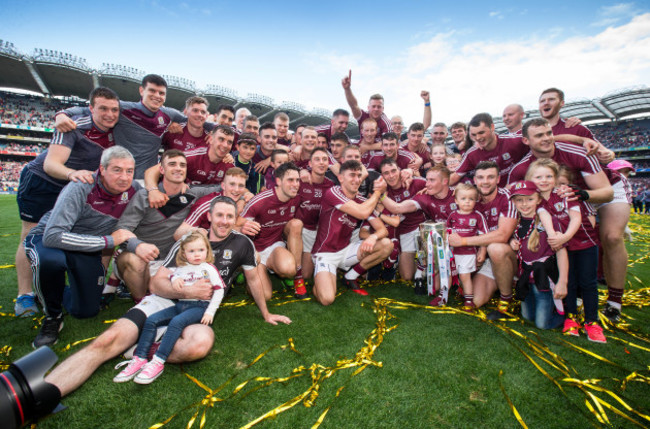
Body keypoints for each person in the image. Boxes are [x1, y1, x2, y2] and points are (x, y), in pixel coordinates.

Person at [42, 196, 291, 398]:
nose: (224, 221)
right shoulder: (189, 241)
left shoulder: (243, 244)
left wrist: (266, 313)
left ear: (236, 218)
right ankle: (38, 396)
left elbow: (253, 279)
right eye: (219, 215)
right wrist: (185, 291)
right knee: (106, 341)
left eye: (230, 216)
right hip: (165, 301)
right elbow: (156, 282)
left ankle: (140, 350)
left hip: (197, 311)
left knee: (199, 345)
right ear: (209, 217)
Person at [15, 87, 120, 317]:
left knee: (75, 235)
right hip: (43, 183)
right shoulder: (74, 124)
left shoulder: (117, 130)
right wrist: (72, 173)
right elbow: (50, 165)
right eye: (103, 108)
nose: (110, 114)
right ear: (91, 108)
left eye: (114, 109)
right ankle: (24, 296)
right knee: (32, 236)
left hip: (73, 188)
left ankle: (78, 287)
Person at [26, 146, 140, 347]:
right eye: (117, 169)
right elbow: (53, 236)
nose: (124, 176)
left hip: (85, 247)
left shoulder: (134, 191)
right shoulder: (82, 186)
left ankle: (52, 290)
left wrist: (158, 191)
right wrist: (107, 241)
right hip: (49, 240)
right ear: (102, 169)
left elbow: (156, 182)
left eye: (129, 171)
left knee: (86, 311)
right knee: (51, 262)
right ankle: (52, 316)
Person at [113, 232, 225, 384]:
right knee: (152, 320)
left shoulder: (208, 269)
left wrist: (211, 311)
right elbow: (173, 275)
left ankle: (158, 361)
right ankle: (139, 358)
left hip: (199, 306)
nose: (197, 254)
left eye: (201, 250)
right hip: (181, 305)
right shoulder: (182, 267)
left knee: (176, 322)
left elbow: (220, 290)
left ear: (207, 251)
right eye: (192, 251)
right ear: (184, 254)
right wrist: (175, 278)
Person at [114, 150, 217, 301]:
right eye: (172, 164)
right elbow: (121, 230)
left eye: (182, 165)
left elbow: (226, 188)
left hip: (171, 263)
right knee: (134, 261)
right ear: (161, 169)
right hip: (144, 260)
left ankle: (157, 294)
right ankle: (142, 301)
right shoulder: (145, 196)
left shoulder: (192, 193)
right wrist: (138, 245)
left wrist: (244, 195)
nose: (178, 168)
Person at [54, 74, 188, 179]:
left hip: (146, 179)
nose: (157, 96)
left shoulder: (169, 114)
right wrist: (62, 114)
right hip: (119, 177)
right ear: (141, 90)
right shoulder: (122, 108)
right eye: (152, 91)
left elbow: (195, 121)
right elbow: (88, 109)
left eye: (161, 93)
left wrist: (208, 119)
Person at [312, 160, 391, 305]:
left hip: (346, 250)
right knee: (327, 299)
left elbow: (383, 230)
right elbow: (362, 213)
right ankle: (321, 279)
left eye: (359, 176)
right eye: (352, 175)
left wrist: (373, 237)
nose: (357, 180)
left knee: (386, 244)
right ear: (341, 178)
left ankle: (350, 276)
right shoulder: (333, 192)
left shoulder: (361, 200)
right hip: (325, 253)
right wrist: (378, 192)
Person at [448, 161, 518, 314]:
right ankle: (499, 282)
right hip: (484, 259)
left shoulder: (507, 198)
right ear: (474, 180)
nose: (485, 182)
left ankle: (507, 297)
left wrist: (463, 242)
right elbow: (447, 191)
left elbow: (503, 235)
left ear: (498, 179)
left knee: (496, 248)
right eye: (480, 177)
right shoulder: (470, 198)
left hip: (507, 253)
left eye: (490, 177)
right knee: (475, 301)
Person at [239, 162, 306, 298]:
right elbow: (236, 224)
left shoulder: (296, 197)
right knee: (265, 296)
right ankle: (248, 271)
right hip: (254, 250)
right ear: (278, 181)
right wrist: (242, 227)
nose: (295, 184)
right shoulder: (260, 201)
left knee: (289, 269)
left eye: (297, 180)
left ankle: (296, 277)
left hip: (273, 245)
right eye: (290, 180)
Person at [508, 181, 568, 331]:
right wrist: (511, 241)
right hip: (525, 277)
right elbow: (517, 240)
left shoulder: (548, 221)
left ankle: (563, 314)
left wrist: (562, 282)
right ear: (513, 202)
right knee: (528, 317)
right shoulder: (516, 222)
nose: (524, 204)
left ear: (539, 199)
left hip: (543, 279)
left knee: (542, 324)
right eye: (519, 200)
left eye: (529, 199)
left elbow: (561, 252)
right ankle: (548, 309)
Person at [434, 183, 487, 311]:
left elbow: (484, 235)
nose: (467, 202)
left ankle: (469, 300)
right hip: (452, 253)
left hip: (468, 253)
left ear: (476, 200)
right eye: (463, 199)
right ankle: (443, 296)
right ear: (456, 200)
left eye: (471, 199)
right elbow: (448, 233)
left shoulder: (478, 216)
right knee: (447, 274)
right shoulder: (452, 216)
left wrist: (483, 251)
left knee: (464, 276)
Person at [379, 158, 426, 280]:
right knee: (406, 276)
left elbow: (438, 186)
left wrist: (430, 189)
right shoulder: (384, 192)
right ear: (382, 176)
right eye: (386, 173)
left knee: (430, 266)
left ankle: (429, 268)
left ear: (400, 170)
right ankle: (421, 269)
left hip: (423, 227)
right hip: (404, 231)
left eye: (393, 171)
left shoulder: (417, 183)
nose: (391, 176)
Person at [296, 148, 335, 279]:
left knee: (307, 274)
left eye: (325, 159)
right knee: (306, 275)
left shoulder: (331, 186)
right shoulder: (300, 182)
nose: (321, 163)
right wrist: (300, 171)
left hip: (319, 231)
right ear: (310, 164)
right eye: (317, 159)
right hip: (302, 229)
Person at [341, 69, 392, 141]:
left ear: (383, 109)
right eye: (373, 106)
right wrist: (347, 89)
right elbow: (354, 106)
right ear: (368, 107)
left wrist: (366, 147)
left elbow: (389, 143)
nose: (376, 109)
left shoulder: (386, 123)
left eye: (379, 107)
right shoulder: (363, 116)